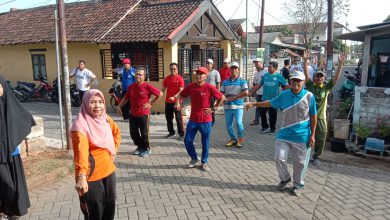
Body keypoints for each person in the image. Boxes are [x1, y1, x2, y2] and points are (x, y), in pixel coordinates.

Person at [245, 71, 317, 196]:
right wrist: (254, 103)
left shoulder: (309, 96)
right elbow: (270, 102)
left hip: (301, 136)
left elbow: (313, 117)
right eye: (293, 80)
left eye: (298, 80)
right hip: (284, 134)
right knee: (279, 157)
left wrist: (312, 135)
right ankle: (285, 178)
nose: (295, 83)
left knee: (299, 163)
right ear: (290, 81)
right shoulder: (284, 95)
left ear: (303, 82)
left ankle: (297, 184)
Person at [71, 89, 121, 220]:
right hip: (91, 176)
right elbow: (80, 152)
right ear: (86, 103)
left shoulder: (105, 119)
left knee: (110, 207)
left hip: (109, 172)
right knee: (94, 212)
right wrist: (81, 177)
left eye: (100, 102)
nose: (97, 106)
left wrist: (113, 150)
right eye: (93, 102)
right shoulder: (80, 126)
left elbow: (117, 133)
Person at [174, 67, 225, 171]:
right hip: (193, 119)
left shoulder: (209, 87)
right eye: (197, 73)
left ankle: (204, 162)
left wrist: (213, 108)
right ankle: (194, 158)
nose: (198, 75)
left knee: (205, 142)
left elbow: (222, 97)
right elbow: (180, 95)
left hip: (206, 120)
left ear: (206, 76)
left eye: (201, 74)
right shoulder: (191, 86)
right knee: (187, 140)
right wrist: (177, 102)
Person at [0, 76, 35, 220]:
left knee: (10, 185)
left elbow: (24, 117)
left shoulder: (9, 103)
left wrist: (16, 136)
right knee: (5, 183)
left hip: (10, 153)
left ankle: (11, 212)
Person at [303, 50, 346, 165]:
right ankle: (304, 154)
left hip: (321, 117)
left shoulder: (326, 88)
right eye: (317, 76)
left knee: (321, 137)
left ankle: (316, 156)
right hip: (308, 116)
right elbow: (306, 75)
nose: (319, 78)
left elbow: (336, 79)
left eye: (321, 77)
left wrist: (340, 64)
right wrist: (305, 61)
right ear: (314, 78)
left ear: (323, 79)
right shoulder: (310, 85)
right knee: (305, 135)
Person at [117, 68, 163, 157]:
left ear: (144, 77)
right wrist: (119, 106)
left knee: (144, 133)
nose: (137, 76)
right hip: (133, 113)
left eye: (140, 75)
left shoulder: (147, 86)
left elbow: (160, 94)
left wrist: (151, 103)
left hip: (144, 114)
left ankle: (146, 148)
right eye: (136, 74)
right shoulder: (131, 87)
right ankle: (140, 146)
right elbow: (126, 98)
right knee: (133, 133)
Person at [250, 61, 289, 134]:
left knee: (272, 115)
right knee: (262, 113)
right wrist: (253, 90)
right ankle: (265, 127)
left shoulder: (279, 76)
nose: (268, 68)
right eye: (268, 67)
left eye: (270, 67)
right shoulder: (265, 75)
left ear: (275, 68)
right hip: (264, 98)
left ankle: (272, 129)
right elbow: (259, 84)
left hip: (274, 100)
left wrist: (284, 94)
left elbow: (286, 86)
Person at [221, 62, 249, 148]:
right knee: (228, 124)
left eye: (235, 68)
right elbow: (221, 93)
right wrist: (221, 100)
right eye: (232, 68)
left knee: (238, 123)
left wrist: (235, 98)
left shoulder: (242, 81)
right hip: (227, 106)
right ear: (229, 70)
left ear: (238, 70)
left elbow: (246, 92)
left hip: (238, 106)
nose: (234, 70)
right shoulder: (225, 82)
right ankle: (233, 139)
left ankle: (240, 139)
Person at [161, 62, 185, 140]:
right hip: (168, 102)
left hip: (177, 102)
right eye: (171, 69)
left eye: (174, 69)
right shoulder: (167, 79)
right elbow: (163, 89)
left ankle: (181, 134)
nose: (173, 70)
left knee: (178, 119)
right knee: (168, 118)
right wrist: (157, 96)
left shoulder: (180, 78)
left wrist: (175, 97)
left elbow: (181, 91)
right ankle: (171, 132)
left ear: (177, 70)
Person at [250, 58, 268, 126]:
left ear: (261, 62)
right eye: (255, 63)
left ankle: (268, 121)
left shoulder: (266, 71)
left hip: (266, 93)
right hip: (259, 93)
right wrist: (253, 91)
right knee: (258, 106)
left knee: (267, 107)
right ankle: (256, 120)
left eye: (257, 62)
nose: (256, 64)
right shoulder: (256, 73)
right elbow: (254, 83)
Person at [205, 58, 221, 125]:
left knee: (211, 106)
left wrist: (218, 93)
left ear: (212, 65)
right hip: (205, 93)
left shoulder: (216, 72)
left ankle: (212, 120)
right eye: (207, 63)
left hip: (212, 93)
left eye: (209, 63)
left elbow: (218, 83)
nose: (208, 64)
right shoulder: (204, 72)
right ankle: (206, 119)